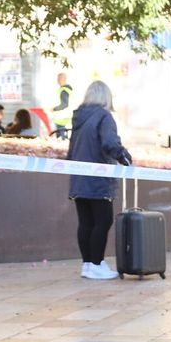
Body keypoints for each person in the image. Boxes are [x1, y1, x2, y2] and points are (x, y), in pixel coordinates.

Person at [66, 80, 133, 280]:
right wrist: (124, 156)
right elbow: (110, 143)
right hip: (98, 177)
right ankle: (96, 263)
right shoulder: (104, 117)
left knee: (86, 222)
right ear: (106, 97)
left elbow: (71, 149)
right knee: (102, 221)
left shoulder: (79, 118)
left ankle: (88, 264)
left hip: (78, 177)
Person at [50, 72, 74, 139]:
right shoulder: (69, 90)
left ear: (63, 79)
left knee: (61, 140)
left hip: (61, 118)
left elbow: (64, 104)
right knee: (64, 139)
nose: (57, 80)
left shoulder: (63, 90)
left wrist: (54, 109)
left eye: (59, 78)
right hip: (66, 118)